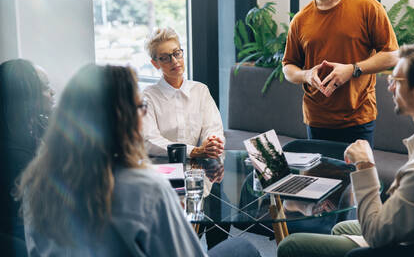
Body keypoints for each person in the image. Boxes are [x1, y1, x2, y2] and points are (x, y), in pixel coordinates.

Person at [17, 64, 260, 257]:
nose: (143, 113)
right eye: (139, 106)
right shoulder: (146, 189)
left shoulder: (37, 183)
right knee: (242, 248)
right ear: (121, 119)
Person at [277, 42, 414, 257]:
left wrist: (365, 165)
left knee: (291, 246)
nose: (389, 87)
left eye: (395, 81)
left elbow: (375, 234)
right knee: (341, 228)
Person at [282, 0, 399, 146]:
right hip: (317, 119)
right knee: (319, 179)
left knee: (359, 179)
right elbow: (288, 67)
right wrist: (306, 75)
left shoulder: (367, 7)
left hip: (358, 117)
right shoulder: (300, 20)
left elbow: (392, 55)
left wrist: (353, 69)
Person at [142, 27, 224, 159]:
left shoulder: (200, 90)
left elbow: (213, 128)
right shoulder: (147, 97)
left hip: (197, 167)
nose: (174, 61)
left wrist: (211, 143)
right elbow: (149, 141)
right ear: (155, 63)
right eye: (165, 58)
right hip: (162, 166)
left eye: (176, 53)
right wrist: (193, 151)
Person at [0, 59, 54, 242]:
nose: (52, 92)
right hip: (23, 230)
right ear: (27, 96)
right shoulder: (13, 154)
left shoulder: (39, 123)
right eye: (46, 88)